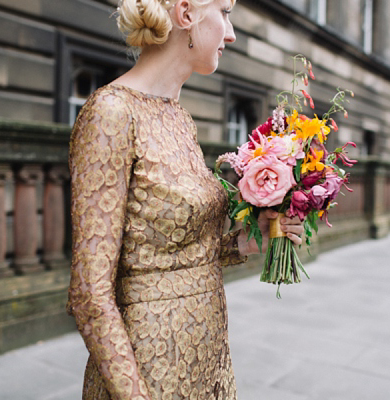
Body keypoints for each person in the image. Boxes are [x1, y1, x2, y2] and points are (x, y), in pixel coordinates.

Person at [66, 0, 304, 399]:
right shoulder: (110, 113)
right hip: (148, 368)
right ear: (186, 13)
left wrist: (245, 242)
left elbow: (179, 250)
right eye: (225, 12)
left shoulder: (178, 116)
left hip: (209, 360)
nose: (231, 33)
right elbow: (89, 293)